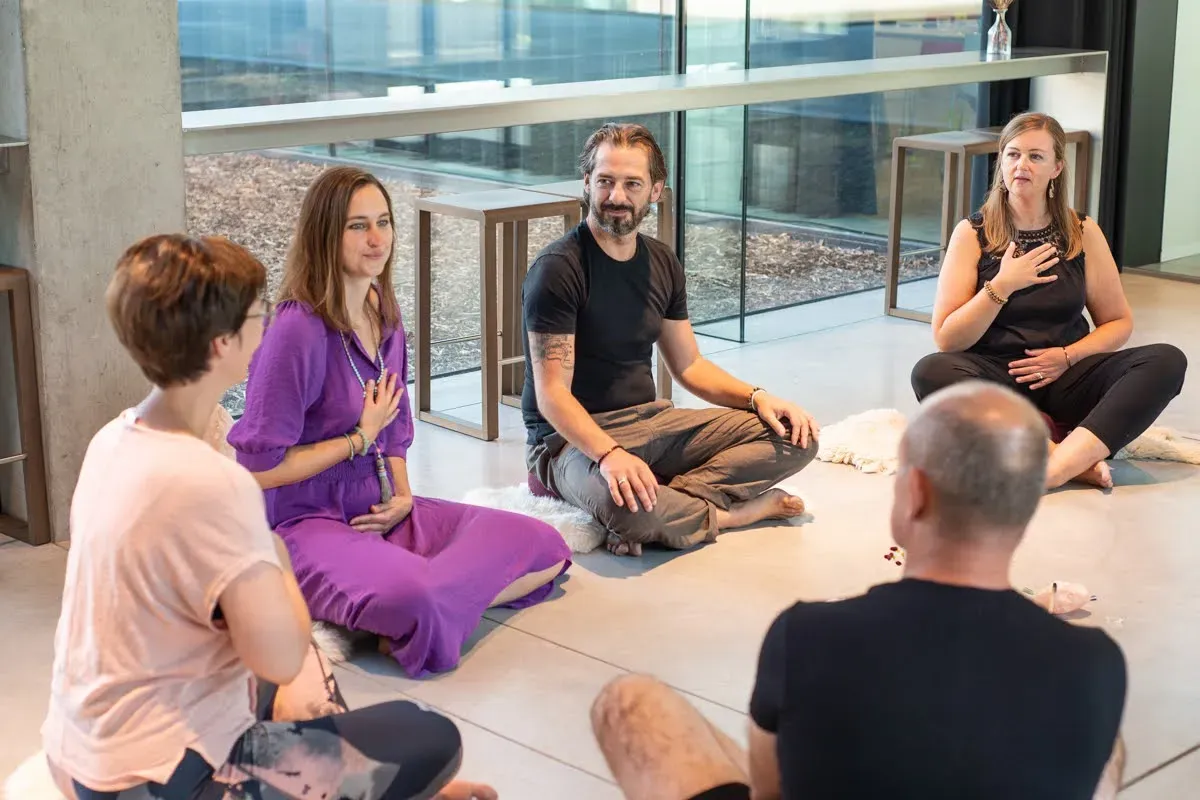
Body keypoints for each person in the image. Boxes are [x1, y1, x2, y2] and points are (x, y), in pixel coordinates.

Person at [43, 234, 494, 799]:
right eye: (259, 313)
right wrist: (277, 558)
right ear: (220, 344)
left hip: (81, 751)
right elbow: (278, 656)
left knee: (314, 687)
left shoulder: (112, 439)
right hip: (159, 778)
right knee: (428, 734)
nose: (270, 323)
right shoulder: (212, 482)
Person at [590, 381, 1127, 800]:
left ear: (914, 494)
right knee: (1109, 747)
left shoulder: (809, 635)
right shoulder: (1095, 662)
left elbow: (774, 791)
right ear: (1029, 504)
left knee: (629, 701)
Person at [229, 166, 570, 679]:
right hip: (305, 521)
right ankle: (418, 600)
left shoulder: (382, 312)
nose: (376, 239)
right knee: (421, 594)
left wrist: (404, 497)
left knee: (545, 546)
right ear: (325, 234)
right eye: (357, 226)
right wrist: (356, 438)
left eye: (384, 222)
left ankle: (411, 608)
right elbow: (257, 468)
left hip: (378, 507)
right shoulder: (294, 331)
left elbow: (393, 431)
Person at [523, 123, 819, 556]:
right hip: (568, 442)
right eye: (604, 181)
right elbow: (552, 395)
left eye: (632, 184)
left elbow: (690, 366)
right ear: (586, 183)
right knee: (628, 509)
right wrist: (609, 457)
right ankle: (732, 514)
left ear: (656, 190)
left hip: (650, 421)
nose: (617, 197)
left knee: (797, 436)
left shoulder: (661, 261)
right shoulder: (558, 269)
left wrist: (758, 397)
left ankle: (668, 501)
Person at [911, 111, 1187, 490]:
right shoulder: (971, 234)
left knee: (1166, 359)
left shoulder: (1082, 231)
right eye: (1012, 154)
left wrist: (1068, 356)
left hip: (1066, 376)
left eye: (1035, 156)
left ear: (1057, 167)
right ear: (1001, 162)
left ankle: (1050, 469)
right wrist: (1001, 287)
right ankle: (1070, 458)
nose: (1021, 164)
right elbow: (947, 339)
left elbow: (1118, 321)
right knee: (931, 372)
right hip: (995, 378)